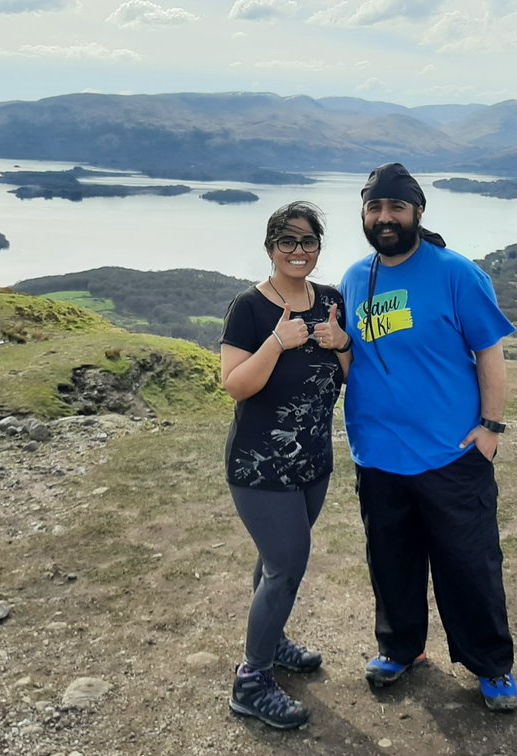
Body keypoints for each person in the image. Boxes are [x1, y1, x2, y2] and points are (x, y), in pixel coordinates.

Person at [339, 163, 517, 712]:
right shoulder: (353, 278)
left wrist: (489, 427)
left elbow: (489, 351)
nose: (385, 217)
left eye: (396, 207)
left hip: (451, 453)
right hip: (378, 454)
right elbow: (353, 356)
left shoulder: (455, 273)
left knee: (469, 566)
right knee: (391, 561)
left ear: (417, 212)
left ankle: (491, 665)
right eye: (375, 207)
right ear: (365, 215)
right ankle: (400, 648)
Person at [220, 201, 353, 730]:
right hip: (260, 465)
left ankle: (270, 643)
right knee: (287, 564)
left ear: (319, 248)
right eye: (287, 241)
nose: (298, 251)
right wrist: (277, 343)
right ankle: (251, 681)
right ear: (270, 247)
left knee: (275, 561)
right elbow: (236, 384)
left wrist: (341, 342)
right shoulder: (248, 308)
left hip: (313, 462)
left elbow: (349, 375)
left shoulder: (333, 302)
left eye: (308, 242)